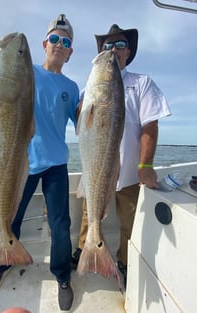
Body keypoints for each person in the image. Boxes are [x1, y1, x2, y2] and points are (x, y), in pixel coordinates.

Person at [0, 14, 79, 311]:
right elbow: (4, 90)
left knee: (60, 226)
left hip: (56, 165)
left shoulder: (72, 87)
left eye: (65, 42)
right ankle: (3, 260)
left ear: (70, 51)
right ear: (44, 43)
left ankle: (62, 275)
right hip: (21, 162)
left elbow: (84, 125)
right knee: (11, 217)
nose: (59, 45)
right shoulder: (27, 73)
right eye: (54, 39)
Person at [71, 24, 171, 288]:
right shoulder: (90, 86)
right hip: (96, 170)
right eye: (107, 46)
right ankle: (85, 252)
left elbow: (150, 124)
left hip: (127, 174)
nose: (112, 50)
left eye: (118, 45)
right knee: (87, 216)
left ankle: (123, 262)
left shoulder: (142, 83)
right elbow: (80, 125)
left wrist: (145, 165)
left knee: (130, 225)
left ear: (128, 51)